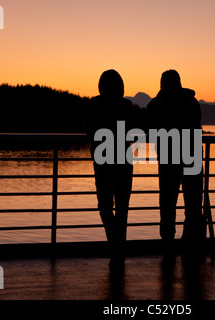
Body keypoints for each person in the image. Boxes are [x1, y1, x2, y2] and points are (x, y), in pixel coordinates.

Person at [147, 70, 206, 248]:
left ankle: (168, 246)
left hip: (168, 161)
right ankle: (190, 246)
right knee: (194, 207)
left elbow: (151, 129)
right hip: (192, 159)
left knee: (167, 207)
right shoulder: (192, 102)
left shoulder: (156, 105)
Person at [86, 69, 134, 257]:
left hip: (102, 161)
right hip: (123, 161)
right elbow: (131, 132)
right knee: (122, 207)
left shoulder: (94, 105)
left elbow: (89, 130)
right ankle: (118, 246)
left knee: (105, 206)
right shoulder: (126, 105)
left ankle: (113, 244)